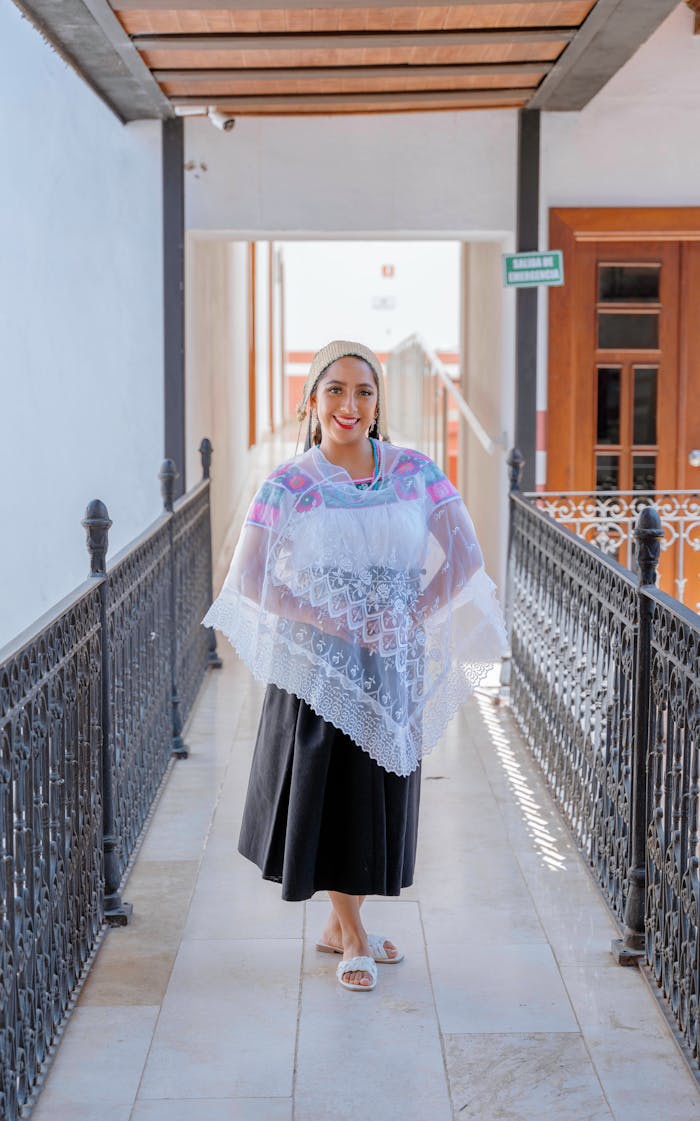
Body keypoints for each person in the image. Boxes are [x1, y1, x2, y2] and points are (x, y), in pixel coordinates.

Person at [201, 339, 507, 992]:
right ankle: (356, 936)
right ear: (312, 401)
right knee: (336, 796)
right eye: (335, 389)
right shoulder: (289, 484)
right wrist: (333, 620)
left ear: (378, 402)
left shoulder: (416, 472)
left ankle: (340, 927)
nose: (350, 404)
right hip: (321, 674)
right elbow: (249, 579)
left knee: (375, 798)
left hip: (394, 668)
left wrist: (413, 613)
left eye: (363, 391)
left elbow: (463, 557)